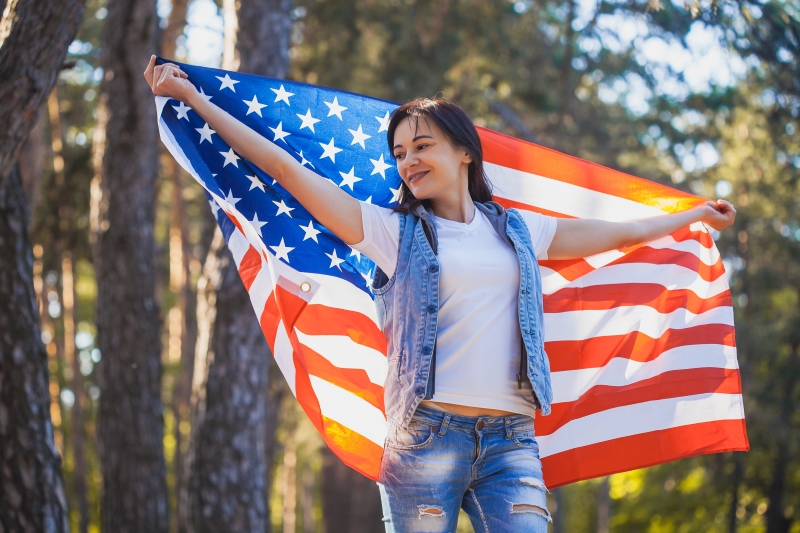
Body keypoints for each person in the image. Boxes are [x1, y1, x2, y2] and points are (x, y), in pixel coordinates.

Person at [144, 57, 736, 533]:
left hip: (511, 439)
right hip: (425, 439)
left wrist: (690, 216)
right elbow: (286, 169)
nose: (408, 161)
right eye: (399, 153)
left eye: (422, 146)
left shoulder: (519, 230)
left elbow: (618, 232)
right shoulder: (391, 233)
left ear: (464, 152)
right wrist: (194, 98)